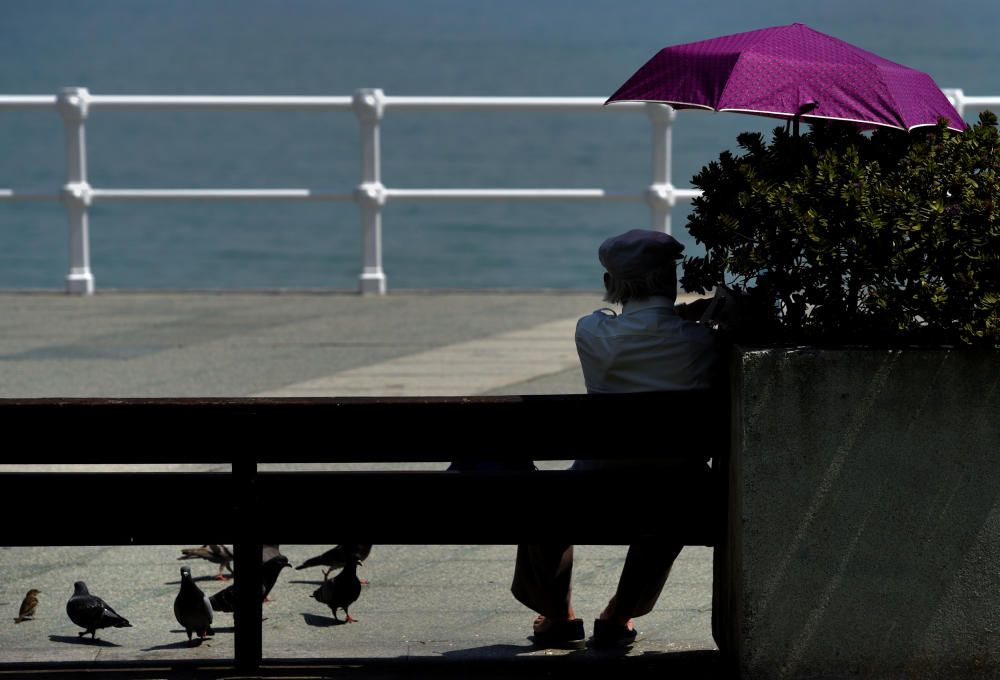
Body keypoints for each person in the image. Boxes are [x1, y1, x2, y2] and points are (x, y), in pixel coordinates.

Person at [510, 228, 720, 648]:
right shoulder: (702, 341)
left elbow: (615, 320)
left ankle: (557, 614)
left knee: (542, 502)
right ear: (671, 280)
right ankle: (619, 615)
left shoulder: (592, 333)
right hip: (678, 490)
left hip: (598, 483)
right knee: (667, 510)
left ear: (612, 284)